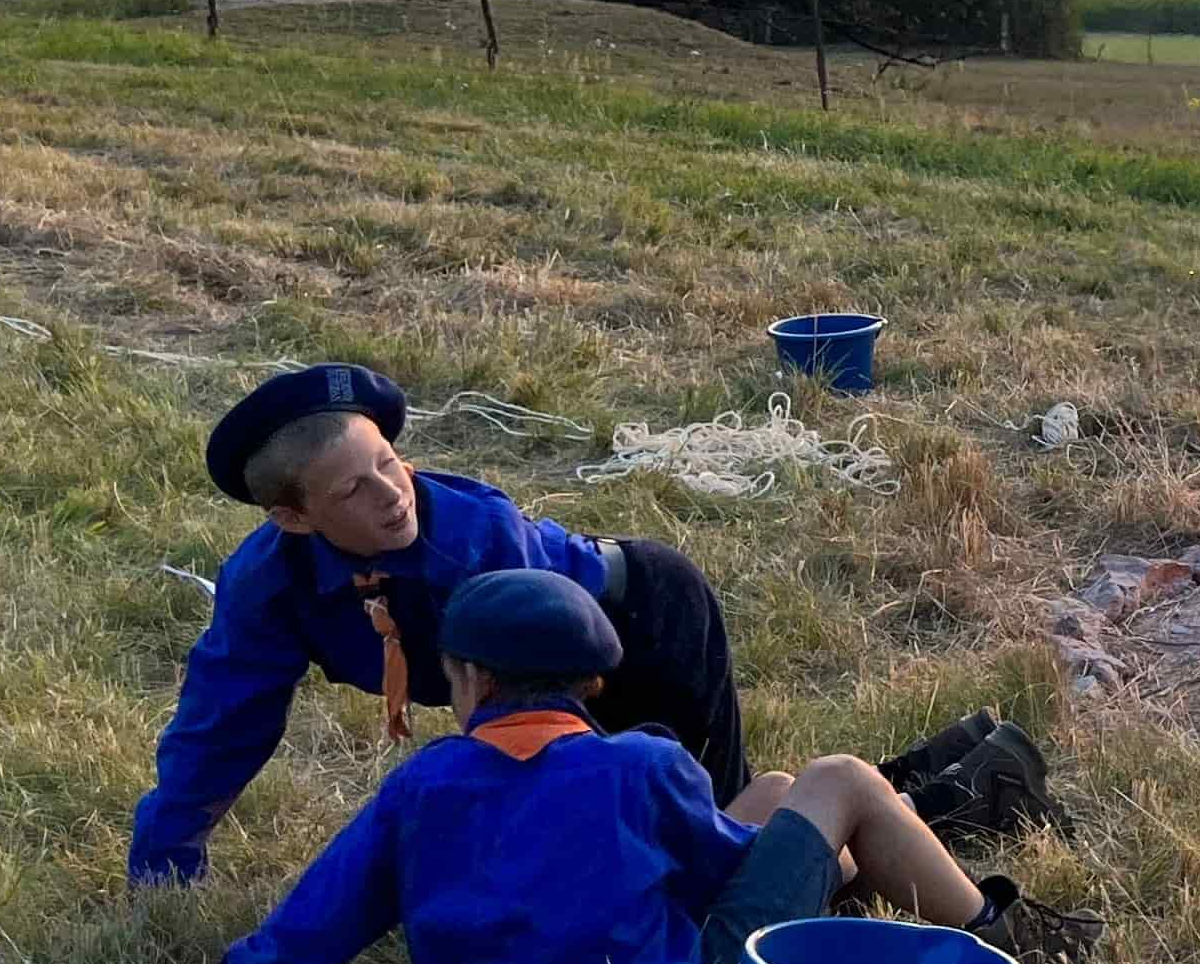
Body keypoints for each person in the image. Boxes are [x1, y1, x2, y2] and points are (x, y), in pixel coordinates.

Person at [215, 571, 1094, 964]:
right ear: (593, 685)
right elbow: (718, 871)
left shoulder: (419, 786)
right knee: (837, 782)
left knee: (778, 792)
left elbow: (319, 917)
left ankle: (890, 862)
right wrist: (833, 857)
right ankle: (999, 935)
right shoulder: (642, 766)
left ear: (473, 680)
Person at [133, 364, 747, 885]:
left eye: (389, 462)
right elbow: (221, 724)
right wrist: (165, 863)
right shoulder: (267, 585)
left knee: (687, 825)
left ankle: (803, 882)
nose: (392, 493)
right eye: (352, 490)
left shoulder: (480, 543)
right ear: (294, 518)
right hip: (538, 666)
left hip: (643, 619)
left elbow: (537, 724)